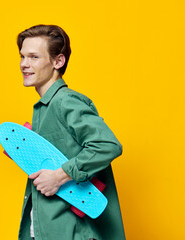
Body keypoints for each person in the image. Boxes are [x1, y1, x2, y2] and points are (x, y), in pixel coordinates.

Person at [17, 24, 125, 240]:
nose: (24, 64)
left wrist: (59, 176)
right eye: (22, 57)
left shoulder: (66, 102)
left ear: (58, 61)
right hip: (48, 230)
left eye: (34, 57)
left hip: (73, 231)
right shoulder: (43, 109)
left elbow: (107, 145)